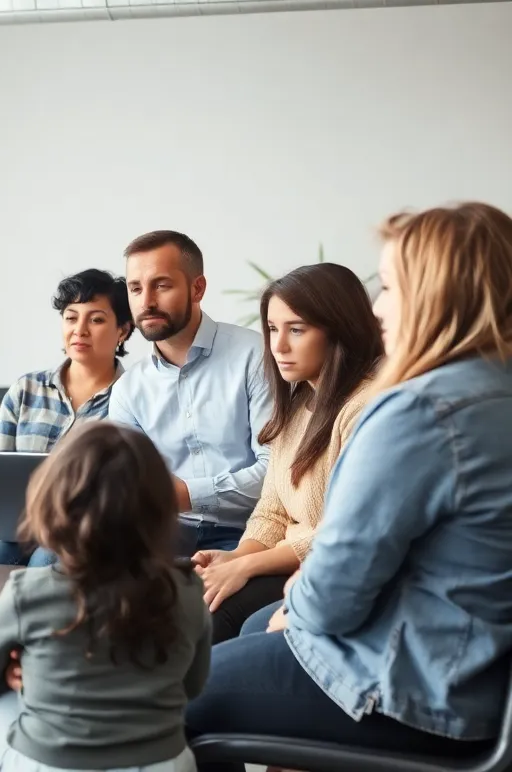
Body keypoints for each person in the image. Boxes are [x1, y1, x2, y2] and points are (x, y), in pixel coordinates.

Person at [186, 203, 512, 771]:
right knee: (257, 626)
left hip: (413, 690)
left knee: (155, 696)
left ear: (439, 294)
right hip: (475, 680)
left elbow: (335, 587)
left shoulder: (419, 411)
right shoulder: (493, 392)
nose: (379, 309)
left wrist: (300, 612)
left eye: (389, 287)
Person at [0, 268, 135, 771]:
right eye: (71, 318)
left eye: (96, 320)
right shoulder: (26, 388)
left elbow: (123, 487)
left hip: (78, 534)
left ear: (124, 331)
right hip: (16, 522)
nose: (80, 330)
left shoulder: (133, 396)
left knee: (51, 558)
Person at [0, 421, 211, 772]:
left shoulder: (28, 592)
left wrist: (21, 672)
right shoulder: (187, 590)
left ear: (53, 504)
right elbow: (193, 686)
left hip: (51, 764)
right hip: (161, 763)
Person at [192, 263, 383, 643]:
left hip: (330, 571)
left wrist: (248, 566)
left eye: (296, 330)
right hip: (287, 560)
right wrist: (236, 560)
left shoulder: (366, 407)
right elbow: (271, 510)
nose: (278, 346)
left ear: (338, 329)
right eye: (273, 329)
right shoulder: (299, 403)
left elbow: (342, 533)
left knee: (215, 617)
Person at [109, 230, 272, 556]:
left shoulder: (254, 355)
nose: (146, 302)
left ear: (197, 288)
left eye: (161, 285)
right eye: (135, 288)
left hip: (249, 533)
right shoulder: (129, 389)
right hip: (163, 534)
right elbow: (128, 483)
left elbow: (275, 472)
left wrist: (185, 494)